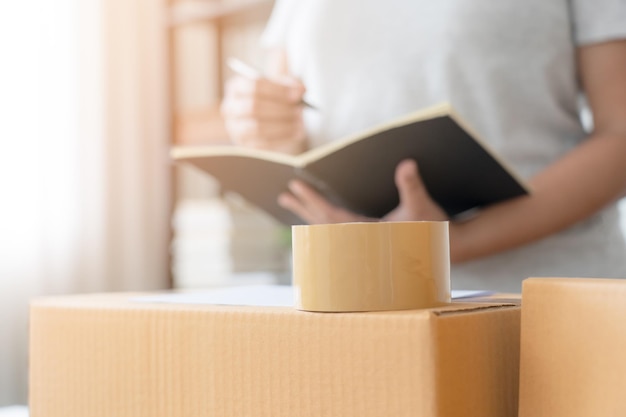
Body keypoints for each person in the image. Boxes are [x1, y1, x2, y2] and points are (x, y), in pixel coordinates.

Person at [220, 0, 626, 292]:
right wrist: (259, 121)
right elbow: (287, 108)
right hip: (349, 295)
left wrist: (451, 243)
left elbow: (620, 136)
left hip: (535, 302)